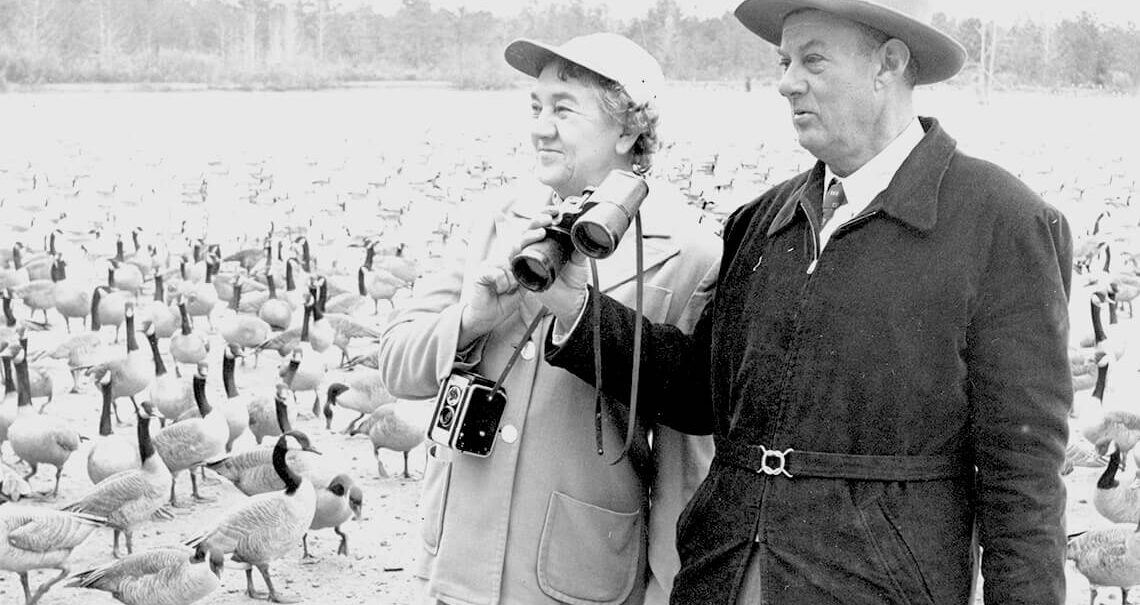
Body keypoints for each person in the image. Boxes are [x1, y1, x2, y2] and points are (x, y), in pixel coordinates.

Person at [519, 1, 1074, 603]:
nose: (786, 82)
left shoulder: (1003, 223)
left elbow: (1023, 476)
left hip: (878, 588)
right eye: (784, 61)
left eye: (812, 60)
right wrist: (577, 306)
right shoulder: (760, 222)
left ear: (889, 63)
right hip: (722, 577)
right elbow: (702, 395)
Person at [377, 33, 721, 605]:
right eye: (535, 107)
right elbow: (396, 364)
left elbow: (687, 471)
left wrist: (665, 593)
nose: (540, 127)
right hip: (457, 567)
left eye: (563, 109)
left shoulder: (689, 255)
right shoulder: (495, 219)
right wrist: (470, 320)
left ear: (629, 130)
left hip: (580, 581)